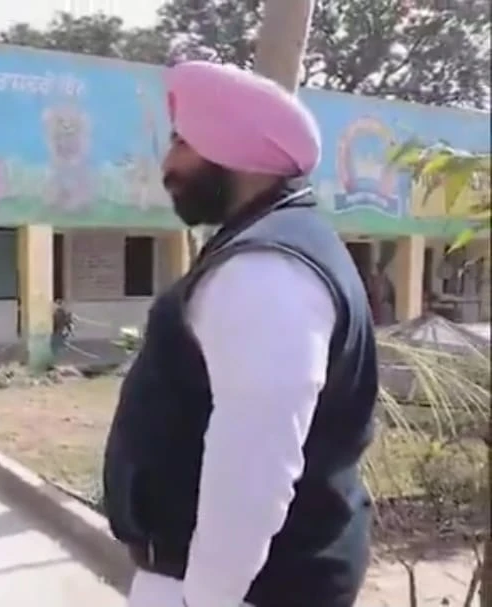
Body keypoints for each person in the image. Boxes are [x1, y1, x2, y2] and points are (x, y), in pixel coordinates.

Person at [103, 61, 378, 607]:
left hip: (237, 591)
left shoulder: (266, 269)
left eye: (183, 143)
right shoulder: (273, 245)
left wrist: (206, 597)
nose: (167, 166)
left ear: (236, 148)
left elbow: (255, 467)